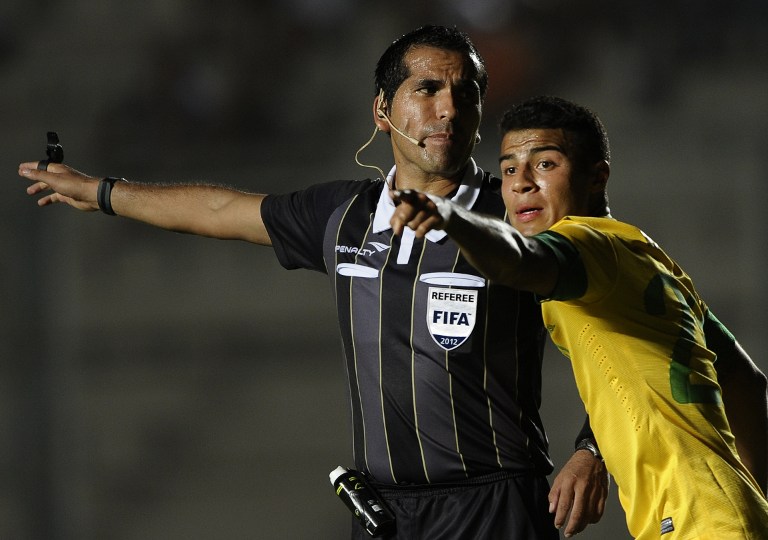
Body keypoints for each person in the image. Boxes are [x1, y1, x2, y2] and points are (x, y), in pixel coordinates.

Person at [19, 27, 609, 539]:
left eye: (465, 92)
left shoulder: (518, 211)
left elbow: (627, 334)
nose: (448, 110)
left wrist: (592, 449)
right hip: (384, 511)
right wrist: (100, 192)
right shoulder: (342, 215)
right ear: (382, 111)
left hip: (494, 505)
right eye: (427, 90)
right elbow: (224, 210)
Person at [389, 95, 768, 539]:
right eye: (509, 168)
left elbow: (516, 259)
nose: (521, 184)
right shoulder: (646, 256)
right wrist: (748, 495)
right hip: (720, 516)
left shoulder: (584, 242)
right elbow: (747, 380)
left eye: (545, 164)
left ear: (597, 176)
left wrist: (451, 216)